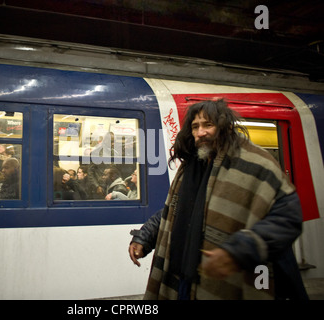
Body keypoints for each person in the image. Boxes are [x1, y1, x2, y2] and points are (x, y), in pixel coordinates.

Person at [129, 99, 308, 300]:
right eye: (195, 126)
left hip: (227, 285)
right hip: (180, 280)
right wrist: (145, 236)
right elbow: (175, 211)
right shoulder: (192, 165)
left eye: (208, 125)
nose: (200, 132)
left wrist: (241, 249)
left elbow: (288, 217)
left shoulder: (257, 164)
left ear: (225, 126)